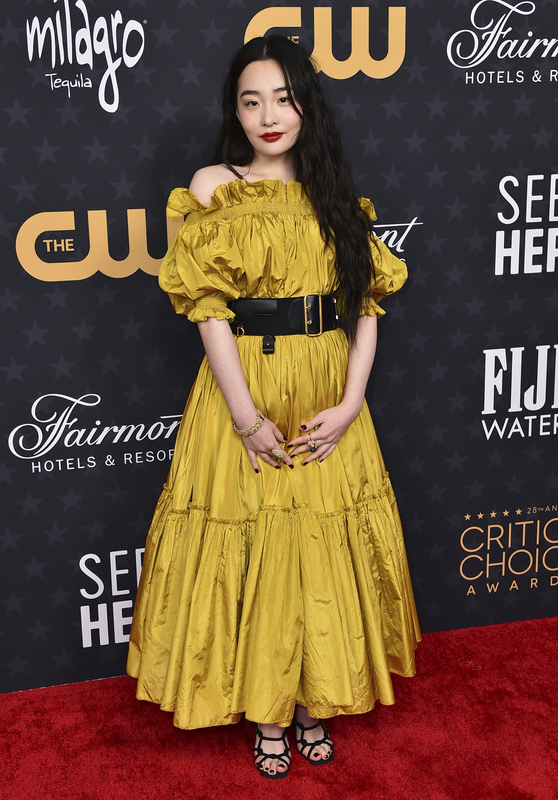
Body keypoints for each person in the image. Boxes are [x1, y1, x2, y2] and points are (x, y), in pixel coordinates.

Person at [127, 34, 420, 779]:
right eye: (251, 100)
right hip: (244, 390)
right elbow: (207, 310)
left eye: (284, 98)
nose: (268, 115)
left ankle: (313, 701)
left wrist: (353, 401)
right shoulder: (212, 187)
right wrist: (246, 417)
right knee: (255, 543)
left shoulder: (337, 201)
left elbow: (367, 311)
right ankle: (264, 711)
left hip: (326, 390)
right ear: (235, 110)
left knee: (317, 547)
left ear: (307, 107)